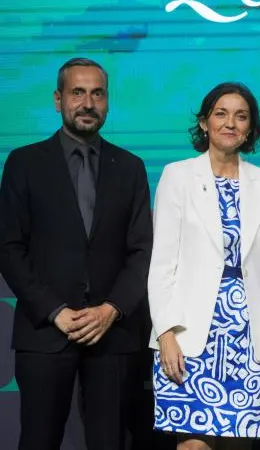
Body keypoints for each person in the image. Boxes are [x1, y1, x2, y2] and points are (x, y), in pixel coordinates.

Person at [0, 57, 153, 450]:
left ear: (107, 102)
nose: (88, 102)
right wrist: (55, 311)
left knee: (111, 442)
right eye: (77, 92)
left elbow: (142, 250)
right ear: (58, 100)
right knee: (38, 440)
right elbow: (9, 246)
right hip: (45, 331)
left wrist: (110, 309)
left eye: (97, 93)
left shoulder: (131, 167)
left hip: (113, 334)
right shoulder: (23, 163)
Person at [147, 82, 260, 450]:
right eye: (221, 113)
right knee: (193, 444)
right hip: (189, 333)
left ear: (250, 128)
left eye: (240, 116)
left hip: (249, 334)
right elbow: (163, 263)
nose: (230, 123)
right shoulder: (177, 176)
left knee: (240, 443)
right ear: (204, 122)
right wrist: (166, 332)